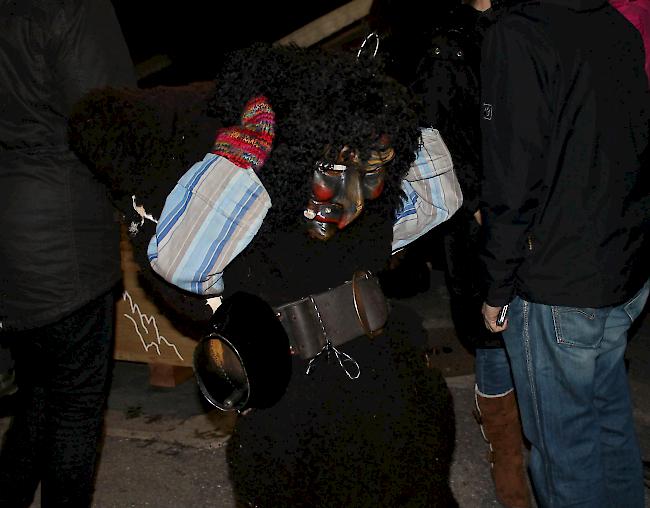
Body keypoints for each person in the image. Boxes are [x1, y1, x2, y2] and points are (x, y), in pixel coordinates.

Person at [68, 43, 464, 507]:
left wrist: (394, 108)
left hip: (386, 375)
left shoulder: (369, 214)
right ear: (294, 158)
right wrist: (243, 152)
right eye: (331, 171)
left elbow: (440, 198)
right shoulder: (250, 215)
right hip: (291, 398)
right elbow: (182, 265)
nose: (350, 199)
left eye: (371, 174)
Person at [479, 1, 650, 506]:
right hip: (620, 267)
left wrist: (497, 285)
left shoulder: (518, 34)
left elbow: (512, 176)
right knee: (609, 421)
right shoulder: (614, 24)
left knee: (563, 449)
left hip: (560, 280)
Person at [0, 0, 136, 505]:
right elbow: (112, 117)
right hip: (62, 238)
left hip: (12, 234)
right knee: (74, 408)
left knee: (38, 392)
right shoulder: (74, 7)